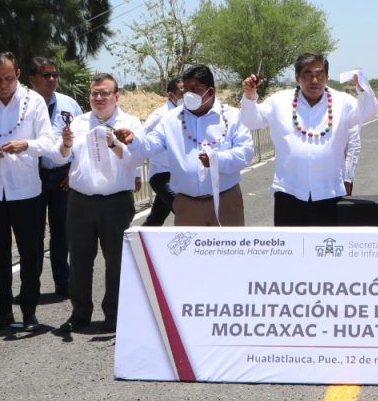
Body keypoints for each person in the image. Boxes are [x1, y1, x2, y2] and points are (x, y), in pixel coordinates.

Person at [0, 52, 61, 332]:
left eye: (8, 78)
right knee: (0, 254)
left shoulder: (34, 101)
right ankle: (3, 311)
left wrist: (25, 145)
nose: (3, 84)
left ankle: (29, 311)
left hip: (26, 190)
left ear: (18, 73)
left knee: (31, 253)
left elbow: (48, 141)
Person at [240, 53, 378, 226]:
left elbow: (368, 112)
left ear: (327, 77)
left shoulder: (342, 102)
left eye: (320, 74)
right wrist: (250, 96)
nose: (314, 80)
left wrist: (362, 88)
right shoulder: (279, 100)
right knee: (291, 249)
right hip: (289, 193)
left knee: (326, 249)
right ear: (297, 77)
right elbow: (250, 121)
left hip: (329, 192)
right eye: (307, 74)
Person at [117, 65, 253, 226]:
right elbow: (152, 143)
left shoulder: (233, 116)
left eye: (195, 88)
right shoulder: (171, 119)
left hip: (226, 200)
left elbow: (246, 152)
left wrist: (217, 159)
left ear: (211, 91)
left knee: (228, 249)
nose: (189, 94)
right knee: (189, 251)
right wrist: (134, 140)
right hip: (187, 203)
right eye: (186, 89)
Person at [56, 74, 140, 333]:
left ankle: (114, 314)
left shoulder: (130, 123)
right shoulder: (79, 123)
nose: (99, 98)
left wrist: (114, 143)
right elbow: (62, 157)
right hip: (81, 201)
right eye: (94, 94)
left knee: (116, 260)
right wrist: (66, 144)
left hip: (116, 202)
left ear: (117, 95)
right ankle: (80, 313)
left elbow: (134, 158)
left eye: (104, 93)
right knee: (80, 260)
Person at [26, 56, 82, 298]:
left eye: (54, 75)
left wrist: (73, 171)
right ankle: (32, 285)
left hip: (62, 175)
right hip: (33, 175)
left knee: (62, 231)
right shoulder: (24, 105)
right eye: (45, 75)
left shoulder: (70, 104)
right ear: (32, 78)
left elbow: (80, 140)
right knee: (33, 232)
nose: (51, 79)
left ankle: (63, 280)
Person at [140, 76, 184, 227]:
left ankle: (136, 248)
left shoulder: (190, 113)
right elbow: (140, 139)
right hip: (162, 175)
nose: (187, 96)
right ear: (171, 95)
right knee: (186, 211)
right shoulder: (160, 115)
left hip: (180, 174)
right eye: (182, 93)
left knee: (155, 219)